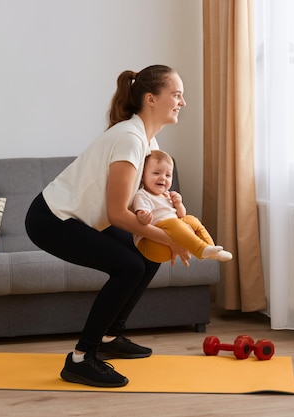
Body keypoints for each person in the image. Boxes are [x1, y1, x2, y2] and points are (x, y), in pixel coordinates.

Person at [25, 65, 190, 388]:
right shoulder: (130, 138)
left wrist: (172, 225)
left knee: (145, 255)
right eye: (176, 94)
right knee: (129, 265)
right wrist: (169, 240)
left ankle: (110, 337)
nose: (182, 102)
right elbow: (117, 214)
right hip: (52, 219)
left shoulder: (147, 141)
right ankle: (81, 358)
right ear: (150, 99)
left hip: (78, 218)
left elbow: (140, 206)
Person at [132, 149, 232, 263]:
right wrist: (143, 217)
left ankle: (212, 250)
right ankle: (201, 249)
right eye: (156, 173)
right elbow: (141, 218)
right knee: (173, 222)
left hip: (169, 240)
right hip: (152, 245)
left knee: (191, 219)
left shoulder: (168, 195)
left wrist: (178, 204)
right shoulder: (143, 195)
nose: (163, 178)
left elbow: (181, 215)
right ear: (143, 176)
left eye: (168, 175)